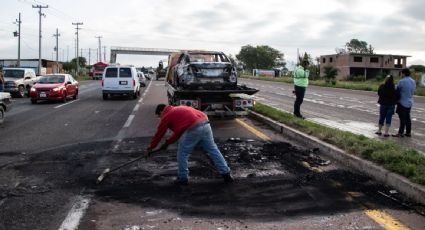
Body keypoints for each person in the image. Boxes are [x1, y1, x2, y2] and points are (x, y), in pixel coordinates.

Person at [147, 104, 233, 185]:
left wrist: (151, 147)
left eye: (159, 115)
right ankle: (226, 173)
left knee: (182, 153)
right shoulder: (179, 109)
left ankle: (183, 178)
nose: (160, 117)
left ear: (161, 111)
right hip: (206, 124)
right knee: (213, 150)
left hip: (194, 128)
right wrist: (167, 143)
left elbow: (159, 133)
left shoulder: (167, 115)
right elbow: (179, 132)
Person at [393, 68, 416, 137]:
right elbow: (413, 91)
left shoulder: (402, 81)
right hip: (410, 101)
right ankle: (408, 132)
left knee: (402, 118)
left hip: (402, 102)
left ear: (403, 73)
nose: (401, 75)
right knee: (408, 118)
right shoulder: (413, 81)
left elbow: (397, 90)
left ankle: (400, 133)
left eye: (401, 73)